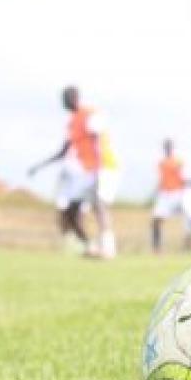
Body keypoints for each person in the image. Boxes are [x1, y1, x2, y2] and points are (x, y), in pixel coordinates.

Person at [28, 85, 118, 258]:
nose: (64, 102)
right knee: (70, 210)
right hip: (87, 171)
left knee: (99, 204)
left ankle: (108, 248)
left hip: (103, 166)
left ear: (75, 97)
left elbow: (97, 140)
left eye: (66, 98)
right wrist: (39, 166)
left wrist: (99, 170)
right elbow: (63, 151)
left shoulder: (90, 114)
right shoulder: (72, 122)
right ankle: (90, 247)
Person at [152, 138, 191, 253]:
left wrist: (189, 185)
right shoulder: (161, 163)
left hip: (181, 194)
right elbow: (162, 180)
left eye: (170, 146)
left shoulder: (180, 162)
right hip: (166, 195)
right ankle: (157, 249)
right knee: (156, 220)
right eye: (166, 146)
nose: (168, 148)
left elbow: (189, 178)